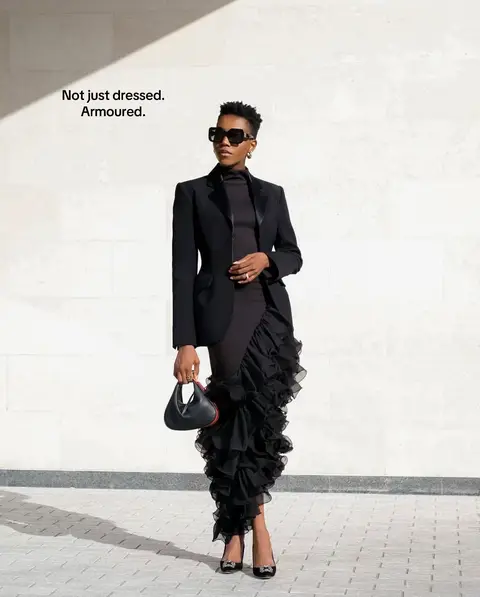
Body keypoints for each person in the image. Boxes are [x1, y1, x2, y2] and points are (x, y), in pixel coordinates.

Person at [171, 101, 306, 578]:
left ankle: (239, 530)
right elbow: (182, 271)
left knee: (263, 421)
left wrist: (267, 260)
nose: (223, 142)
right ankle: (251, 529)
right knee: (236, 422)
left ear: (252, 143)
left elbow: (293, 254)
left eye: (234, 135)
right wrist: (185, 342)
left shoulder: (272, 194)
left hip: (269, 315)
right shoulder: (192, 193)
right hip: (223, 321)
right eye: (217, 134)